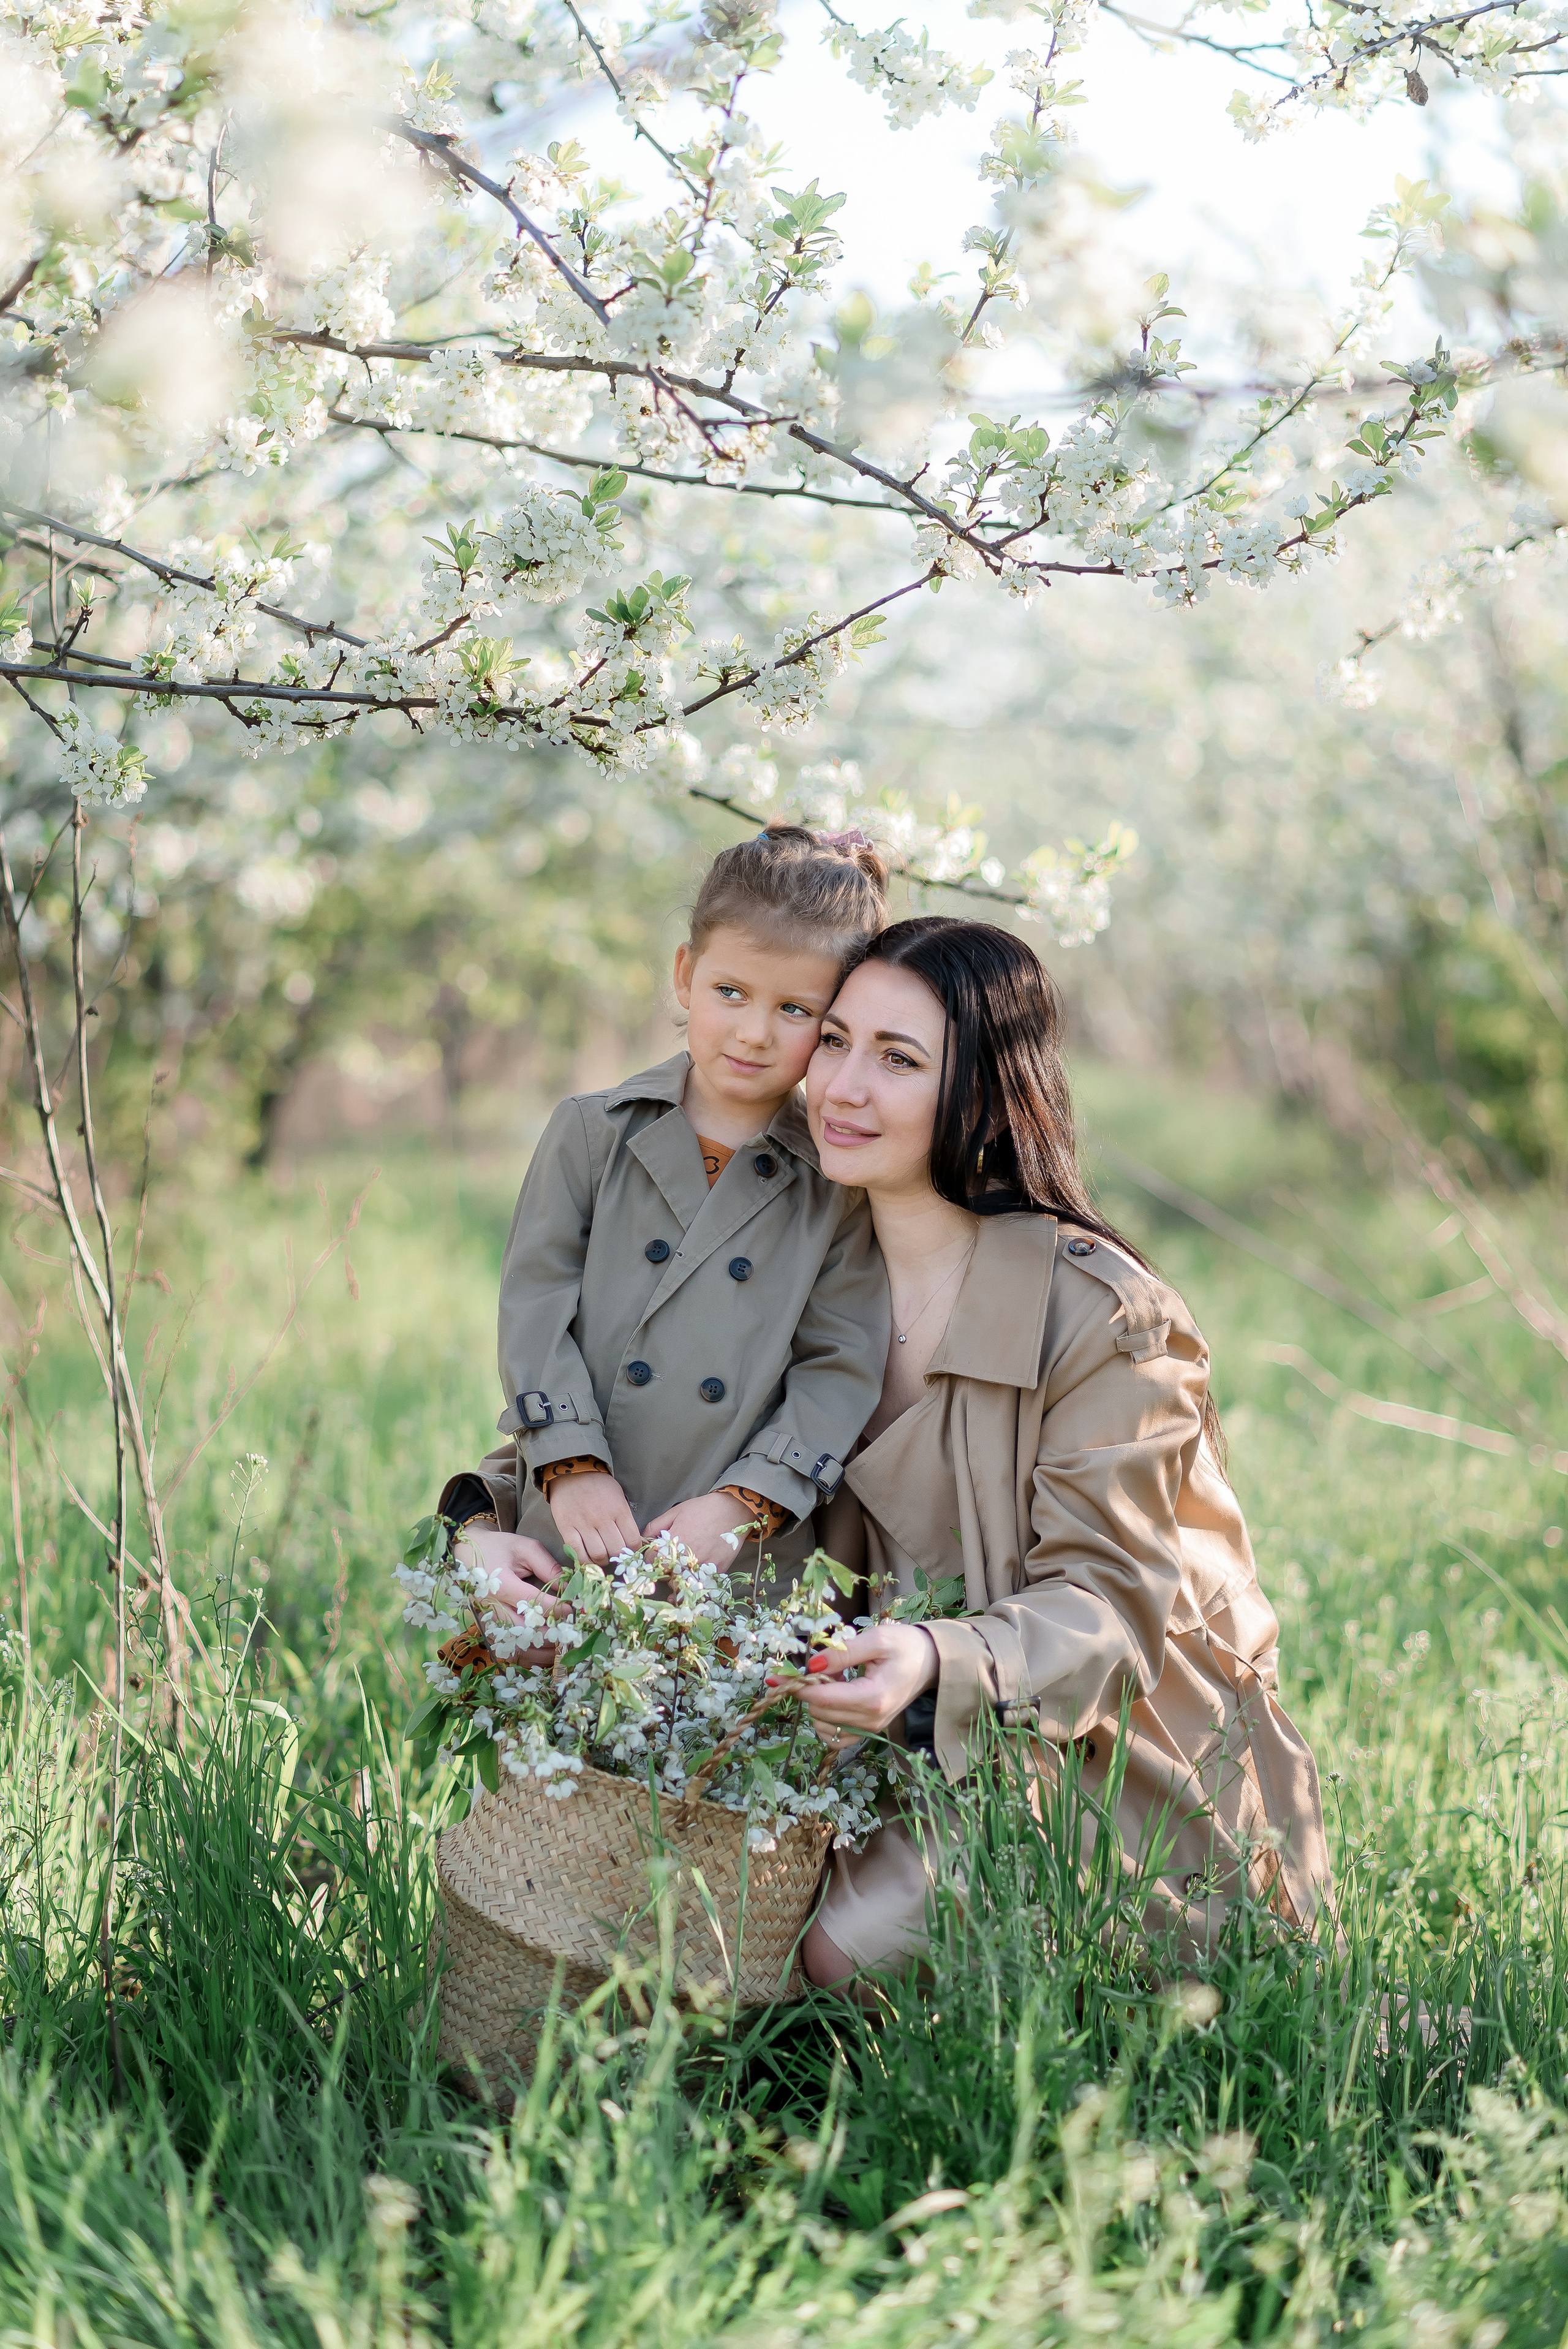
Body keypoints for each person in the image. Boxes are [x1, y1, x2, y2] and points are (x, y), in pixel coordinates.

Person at [781, 915, 1331, 1987]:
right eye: (835, 1040)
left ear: (983, 1093)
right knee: (687, 1920)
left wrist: (937, 1657)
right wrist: (488, 1510)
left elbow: (1110, 1606)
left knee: (838, 1951)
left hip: (1095, 1754)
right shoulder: (805, 1270)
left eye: (898, 1059)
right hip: (872, 1738)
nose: (843, 1086)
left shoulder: (1105, 1314)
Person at [441, 826, 893, 1591]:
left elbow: (840, 1364)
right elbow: (534, 1308)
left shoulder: (837, 1181)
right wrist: (570, 1461)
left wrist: (743, 1504)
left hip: (739, 1546)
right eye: (730, 992)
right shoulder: (592, 1132)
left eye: (795, 1008)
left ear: (836, 1023)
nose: (754, 1032)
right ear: (685, 975)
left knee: (720, 1707)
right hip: (577, 1515)